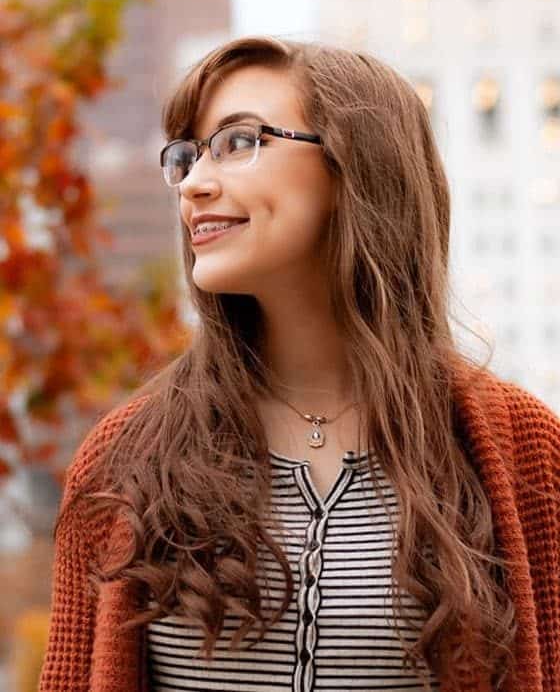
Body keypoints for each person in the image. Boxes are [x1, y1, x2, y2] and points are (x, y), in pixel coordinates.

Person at [39, 36, 560, 692]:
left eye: (238, 142)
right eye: (187, 156)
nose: (195, 184)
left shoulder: (523, 449)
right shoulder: (121, 457)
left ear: (355, 167)